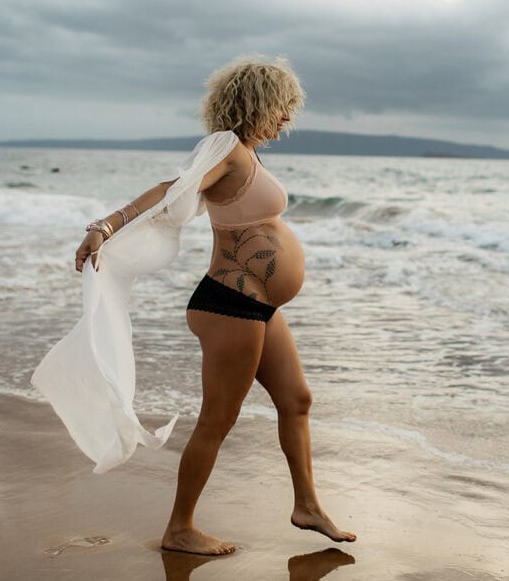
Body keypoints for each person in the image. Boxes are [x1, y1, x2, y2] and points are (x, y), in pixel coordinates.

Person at [73, 57, 356, 556]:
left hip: (257, 307)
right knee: (217, 420)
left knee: (297, 401)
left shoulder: (246, 153)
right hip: (230, 305)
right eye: (282, 108)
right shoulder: (225, 146)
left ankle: (307, 505)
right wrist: (106, 225)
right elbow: (171, 188)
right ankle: (180, 527)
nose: (286, 119)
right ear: (256, 102)